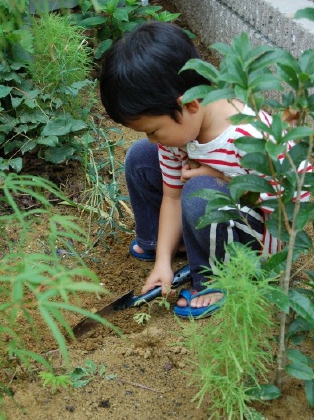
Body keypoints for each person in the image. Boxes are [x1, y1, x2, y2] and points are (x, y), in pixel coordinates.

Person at [100, 21, 311, 319]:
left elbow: (292, 202)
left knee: (200, 192)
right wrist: (163, 260)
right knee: (141, 158)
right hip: (217, 216)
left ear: (190, 104)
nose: (153, 138)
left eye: (153, 130)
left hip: (263, 236)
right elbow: (171, 197)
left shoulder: (247, 136)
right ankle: (168, 244)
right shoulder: (178, 132)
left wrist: (222, 177)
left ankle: (214, 279)